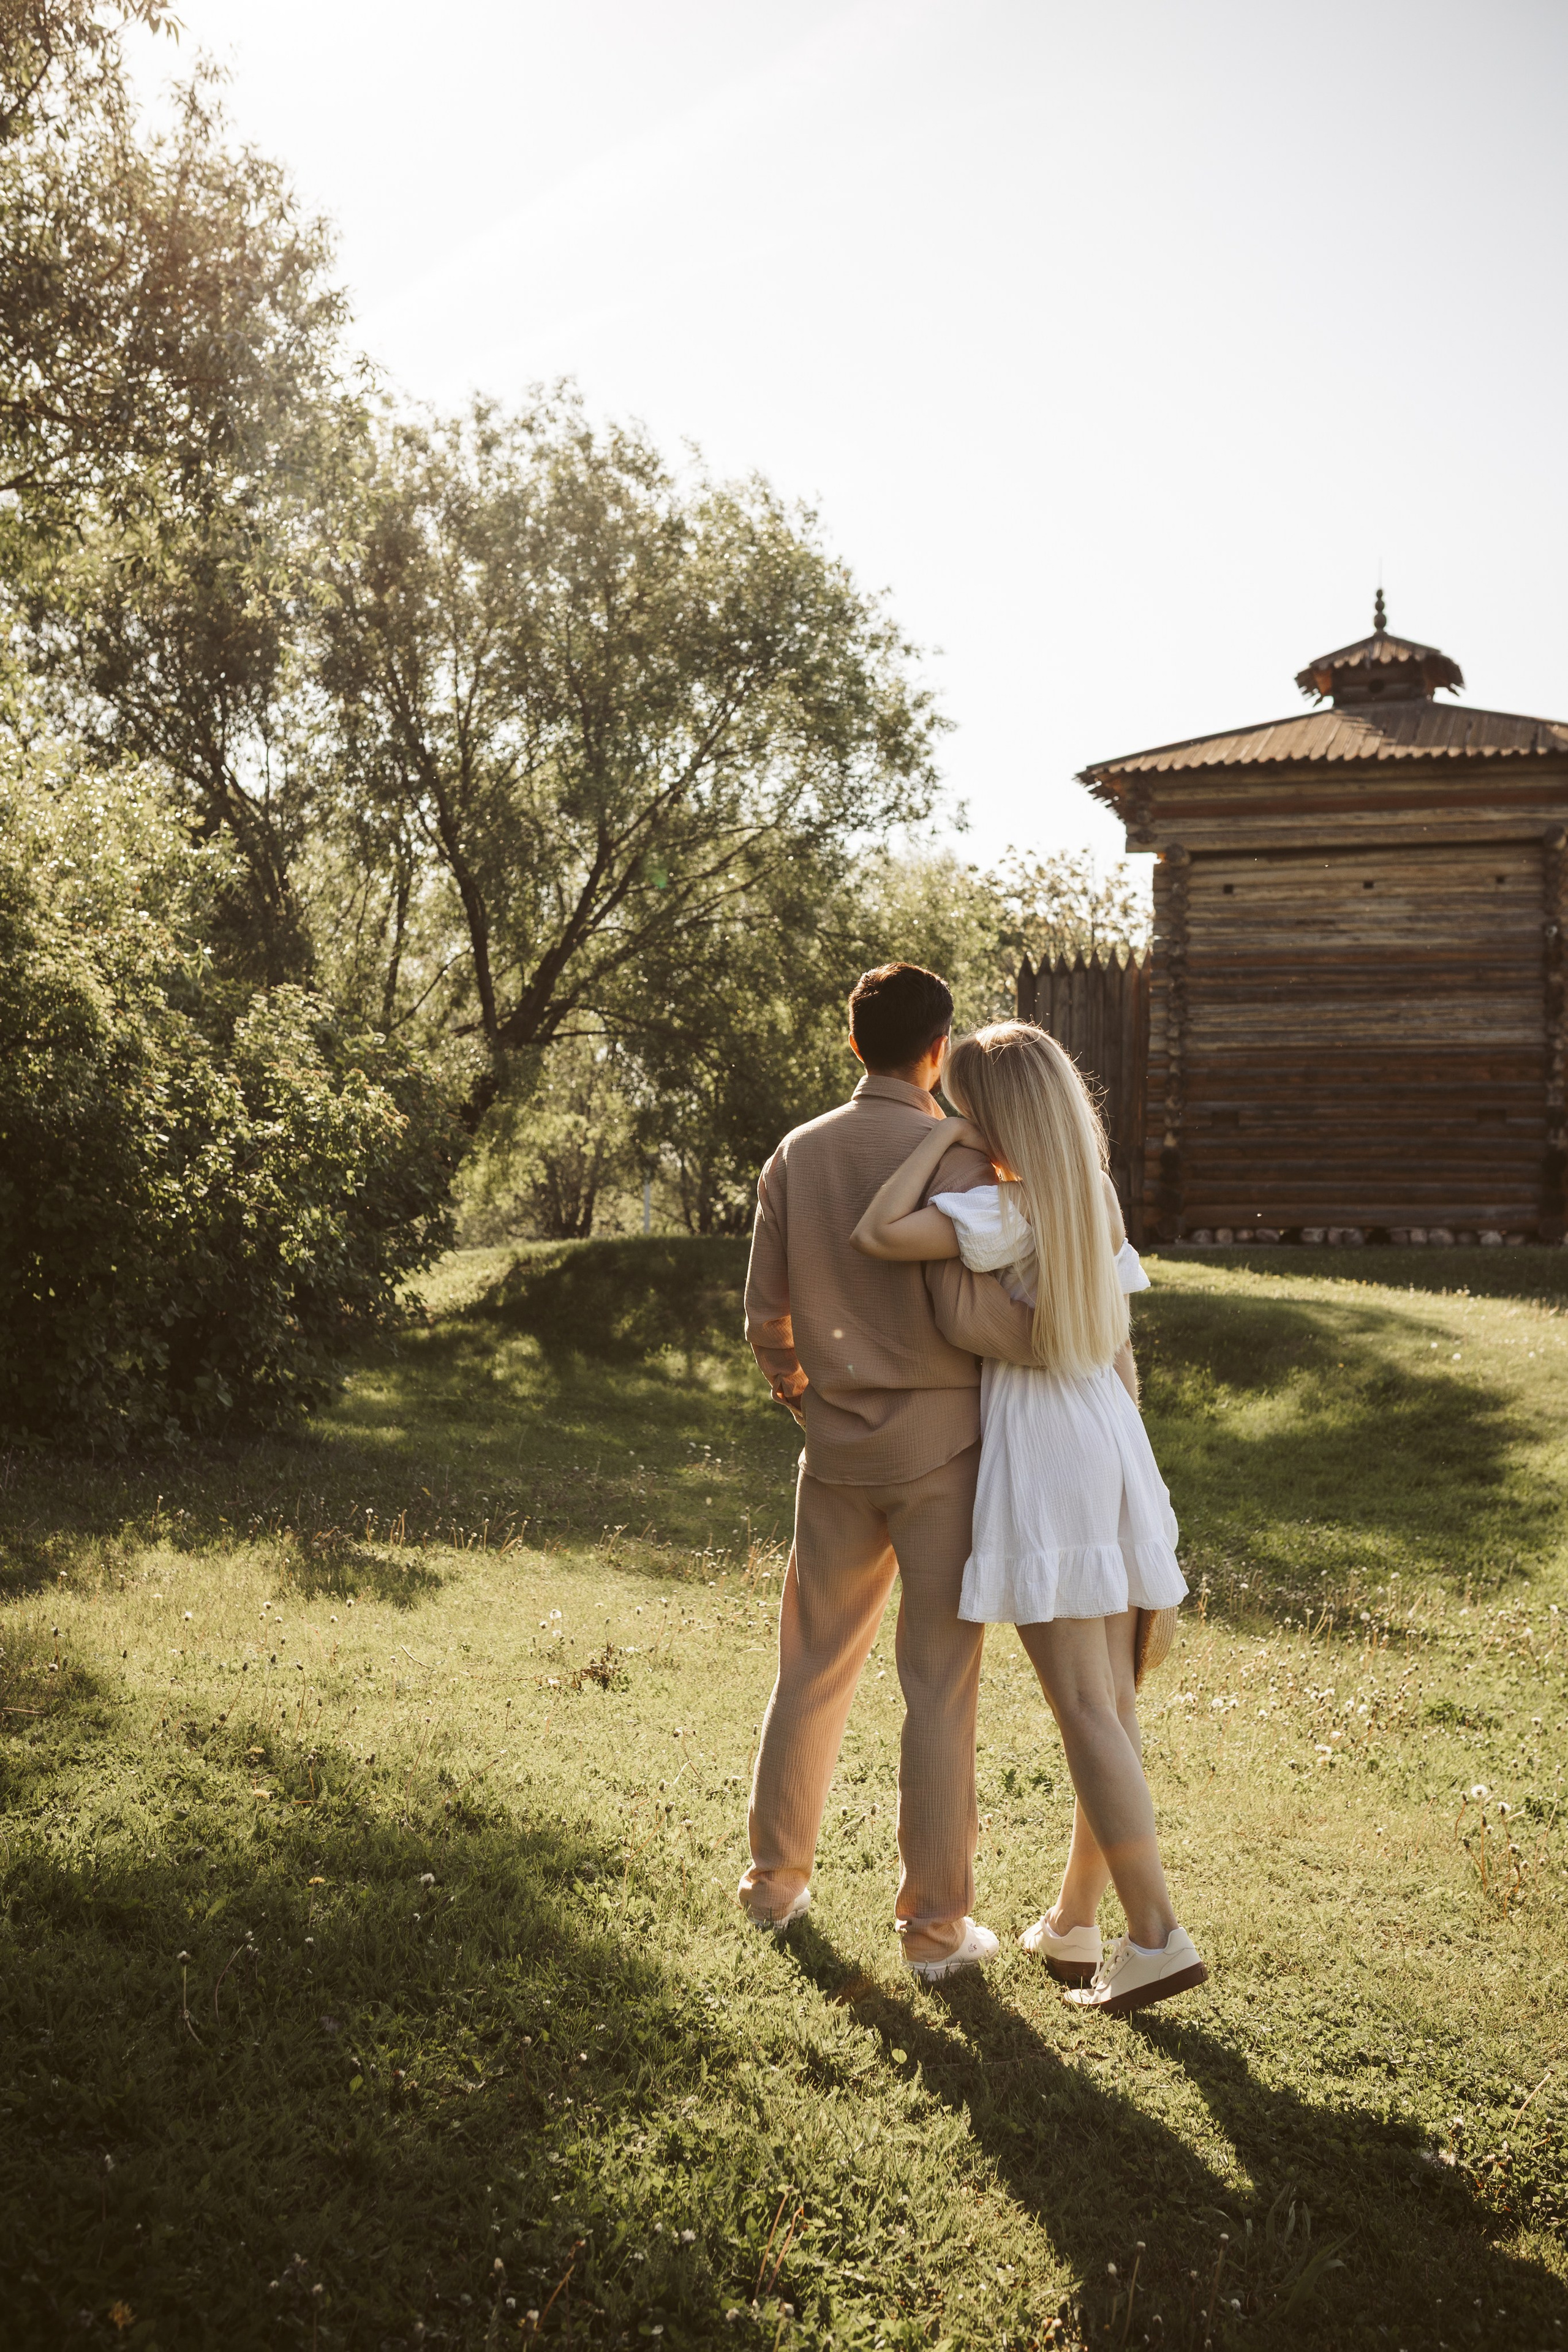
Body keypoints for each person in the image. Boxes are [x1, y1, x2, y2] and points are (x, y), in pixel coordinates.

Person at [850, 1020, 1205, 2016]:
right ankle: (1076, 1923)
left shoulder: (1003, 1212)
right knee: (1116, 1707)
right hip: (1109, 1432)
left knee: (1087, 1708)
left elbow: (877, 1231)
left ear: (990, 1112)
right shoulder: (1091, 1199)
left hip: (1046, 1447)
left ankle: (1158, 1935)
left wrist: (932, 1134)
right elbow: (1124, 1351)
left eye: (966, 1102)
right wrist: (1141, 1481)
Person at [740, 963, 1045, 1979]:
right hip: (946, 1451)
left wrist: (800, 1388)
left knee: (812, 1664)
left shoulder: (798, 1152)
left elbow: (766, 1316)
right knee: (939, 1687)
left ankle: (774, 1883)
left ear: (852, 1044)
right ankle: (933, 1928)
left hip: (833, 1452)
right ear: (939, 1051)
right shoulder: (961, 1159)